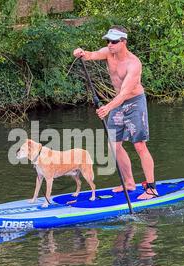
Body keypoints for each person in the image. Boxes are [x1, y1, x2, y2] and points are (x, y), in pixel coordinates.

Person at [73, 25, 158, 199]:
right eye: (108, 41)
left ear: (123, 42)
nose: (110, 44)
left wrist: (107, 108)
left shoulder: (134, 64)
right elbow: (91, 55)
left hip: (134, 103)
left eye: (113, 41)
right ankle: (129, 183)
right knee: (114, 144)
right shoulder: (108, 53)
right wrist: (81, 53)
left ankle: (151, 188)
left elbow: (126, 93)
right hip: (118, 103)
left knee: (139, 145)